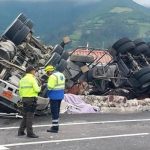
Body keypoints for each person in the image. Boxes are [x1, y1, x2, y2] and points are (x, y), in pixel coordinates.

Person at [18, 66, 41, 138]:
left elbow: (20, 91)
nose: (35, 72)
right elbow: (37, 90)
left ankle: (21, 131)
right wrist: (40, 87)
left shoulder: (22, 79)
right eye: (34, 71)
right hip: (31, 99)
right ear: (31, 71)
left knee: (25, 116)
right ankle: (30, 133)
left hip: (24, 99)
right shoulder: (32, 79)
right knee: (30, 117)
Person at [45, 65, 65, 133]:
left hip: (54, 96)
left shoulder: (52, 76)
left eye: (47, 72)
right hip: (60, 96)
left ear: (50, 71)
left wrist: (46, 85)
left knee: (54, 112)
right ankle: (56, 126)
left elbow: (50, 87)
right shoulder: (61, 74)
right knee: (57, 111)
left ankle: (55, 128)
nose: (47, 74)